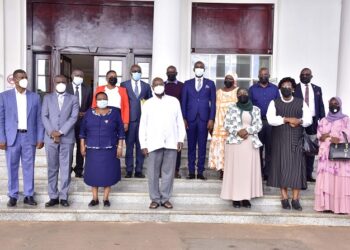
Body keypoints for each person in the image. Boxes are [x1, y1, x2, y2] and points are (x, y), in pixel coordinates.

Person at [139, 77, 186, 209]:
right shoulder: (147, 103)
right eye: (156, 84)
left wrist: (180, 139)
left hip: (171, 142)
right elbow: (143, 125)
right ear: (152, 87)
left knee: (169, 172)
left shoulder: (174, 101)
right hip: (153, 143)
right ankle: (154, 198)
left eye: (161, 84)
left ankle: (165, 198)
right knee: (153, 173)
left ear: (164, 86)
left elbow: (179, 122)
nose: (159, 86)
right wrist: (144, 144)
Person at [0, 69, 44, 207]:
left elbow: (39, 119)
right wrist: (1, 138)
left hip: (29, 137)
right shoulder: (4, 96)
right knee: (12, 167)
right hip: (12, 137)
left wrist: (40, 137)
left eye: (25, 77)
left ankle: (28, 195)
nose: (24, 79)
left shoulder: (35, 97)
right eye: (21, 77)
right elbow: (1, 119)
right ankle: (13, 195)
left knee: (28, 167)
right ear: (14, 80)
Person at [266, 77, 312, 211]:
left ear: (293, 89)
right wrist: (286, 119)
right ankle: (284, 197)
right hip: (280, 139)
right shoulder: (274, 103)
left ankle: (296, 199)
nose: (286, 88)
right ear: (280, 89)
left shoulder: (301, 102)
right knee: (282, 167)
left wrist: (300, 121)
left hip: (297, 139)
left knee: (297, 168)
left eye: (289, 86)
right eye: (283, 86)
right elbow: (270, 119)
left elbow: (308, 119)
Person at [80, 92, 125, 207]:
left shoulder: (114, 113)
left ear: (107, 100)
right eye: (99, 99)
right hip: (92, 149)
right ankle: (95, 198)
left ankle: (106, 198)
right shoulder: (89, 113)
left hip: (109, 149)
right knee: (93, 174)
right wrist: (82, 145)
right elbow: (82, 132)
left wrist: (120, 146)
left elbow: (121, 131)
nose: (102, 100)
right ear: (95, 100)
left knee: (108, 174)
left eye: (104, 99)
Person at [221, 87, 263, 208]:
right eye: (240, 94)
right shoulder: (231, 108)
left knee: (247, 171)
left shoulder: (255, 109)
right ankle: (235, 198)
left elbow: (259, 125)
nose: (242, 95)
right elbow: (226, 124)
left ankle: (245, 198)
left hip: (250, 142)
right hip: (235, 142)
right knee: (236, 171)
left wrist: (247, 130)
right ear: (237, 96)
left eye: (245, 93)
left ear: (248, 95)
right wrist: (237, 132)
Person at [41, 75, 79, 207]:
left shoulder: (73, 98)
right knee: (52, 168)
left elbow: (74, 117)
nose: (60, 83)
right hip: (50, 139)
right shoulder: (47, 98)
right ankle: (53, 196)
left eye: (63, 82)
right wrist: (52, 132)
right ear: (54, 82)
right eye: (58, 82)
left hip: (67, 138)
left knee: (65, 168)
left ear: (67, 83)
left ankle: (64, 196)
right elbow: (44, 116)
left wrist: (61, 132)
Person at [314, 97, 350, 214]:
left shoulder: (346, 119)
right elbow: (319, 134)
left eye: (336, 103)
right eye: (331, 103)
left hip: (340, 155)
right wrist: (323, 136)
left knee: (339, 180)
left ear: (340, 105)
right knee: (326, 179)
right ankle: (326, 206)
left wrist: (339, 138)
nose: (334, 105)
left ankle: (340, 207)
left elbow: (348, 133)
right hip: (326, 155)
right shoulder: (324, 120)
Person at [181, 61, 216, 180]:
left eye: (201, 67)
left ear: (204, 69)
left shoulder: (210, 84)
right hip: (190, 119)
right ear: (194, 69)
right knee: (191, 146)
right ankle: (191, 171)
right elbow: (184, 102)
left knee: (202, 146)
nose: (199, 69)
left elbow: (213, 103)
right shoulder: (187, 84)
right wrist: (184, 118)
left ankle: (200, 171)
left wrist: (211, 118)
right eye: (197, 67)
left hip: (204, 119)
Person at [121, 64, 152, 178]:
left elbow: (150, 103)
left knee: (140, 146)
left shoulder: (146, 86)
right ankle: (129, 170)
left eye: (138, 71)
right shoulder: (124, 85)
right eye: (134, 71)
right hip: (129, 121)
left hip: (143, 121)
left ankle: (138, 170)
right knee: (129, 146)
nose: (136, 73)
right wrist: (124, 121)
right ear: (130, 72)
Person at [294, 68, 325, 182]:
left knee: (311, 148)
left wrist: (323, 121)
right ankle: (298, 173)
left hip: (312, 122)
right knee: (297, 147)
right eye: (303, 74)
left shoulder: (317, 89)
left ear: (311, 76)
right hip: (298, 121)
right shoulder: (295, 88)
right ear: (299, 76)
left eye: (307, 74)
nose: (305, 76)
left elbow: (320, 106)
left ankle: (308, 174)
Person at [249, 68, 280, 180]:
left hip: (271, 123)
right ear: (258, 75)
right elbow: (249, 106)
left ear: (269, 75)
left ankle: (268, 173)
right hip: (257, 123)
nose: (263, 76)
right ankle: (258, 172)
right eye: (261, 74)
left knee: (270, 149)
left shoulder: (275, 89)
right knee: (257, 148)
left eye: (265, 74)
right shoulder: (252, 89)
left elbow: (279, 105)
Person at [209, 74, 238, 180]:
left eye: (231, 79)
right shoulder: (218, 93)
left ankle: (232, 170)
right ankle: (222, 170)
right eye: (226, 79)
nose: (228, 81)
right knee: (221, 148)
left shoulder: (237, 91)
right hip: (219, 124)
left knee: (232, 147)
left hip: (233, 124)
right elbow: (213, 107)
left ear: (234, 81)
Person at [66, 69, 92, 178]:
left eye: (81, 75)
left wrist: (86, 113)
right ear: (72, 76)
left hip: (83, 123)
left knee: (81, 147)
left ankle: (79, 170)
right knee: (68, 148)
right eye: (76, 75)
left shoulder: (88, 89)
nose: (79, 77)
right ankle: (67, 169)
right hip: (68, 123)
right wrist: (74, 114)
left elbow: (91, 105)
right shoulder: (66, 88)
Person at [164, 65, 184, 178]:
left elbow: (184, 101)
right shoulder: (162, 85)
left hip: (177, 119)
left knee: (177, 145)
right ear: (166, 73)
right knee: (164, 145)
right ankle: (165, 169)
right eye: (169, 72)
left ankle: (176, 170)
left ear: (176, 73)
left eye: (173, 72)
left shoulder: (182, 86)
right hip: (163, 119)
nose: (171, 74)